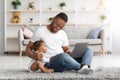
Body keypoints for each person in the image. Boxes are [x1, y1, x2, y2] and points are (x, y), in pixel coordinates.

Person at [26, 12, 94, 74]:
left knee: (88, 49)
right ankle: (85, 67)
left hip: (65, 60)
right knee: (62, 56)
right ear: (54, 18)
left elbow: (66, 48)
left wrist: (68, 51)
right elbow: (28, 47)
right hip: (50, 62)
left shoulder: (63, 33)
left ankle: (84, 67)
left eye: (61, 27)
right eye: (57, 25)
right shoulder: (40, 31)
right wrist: (33, 56)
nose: (58, 28)